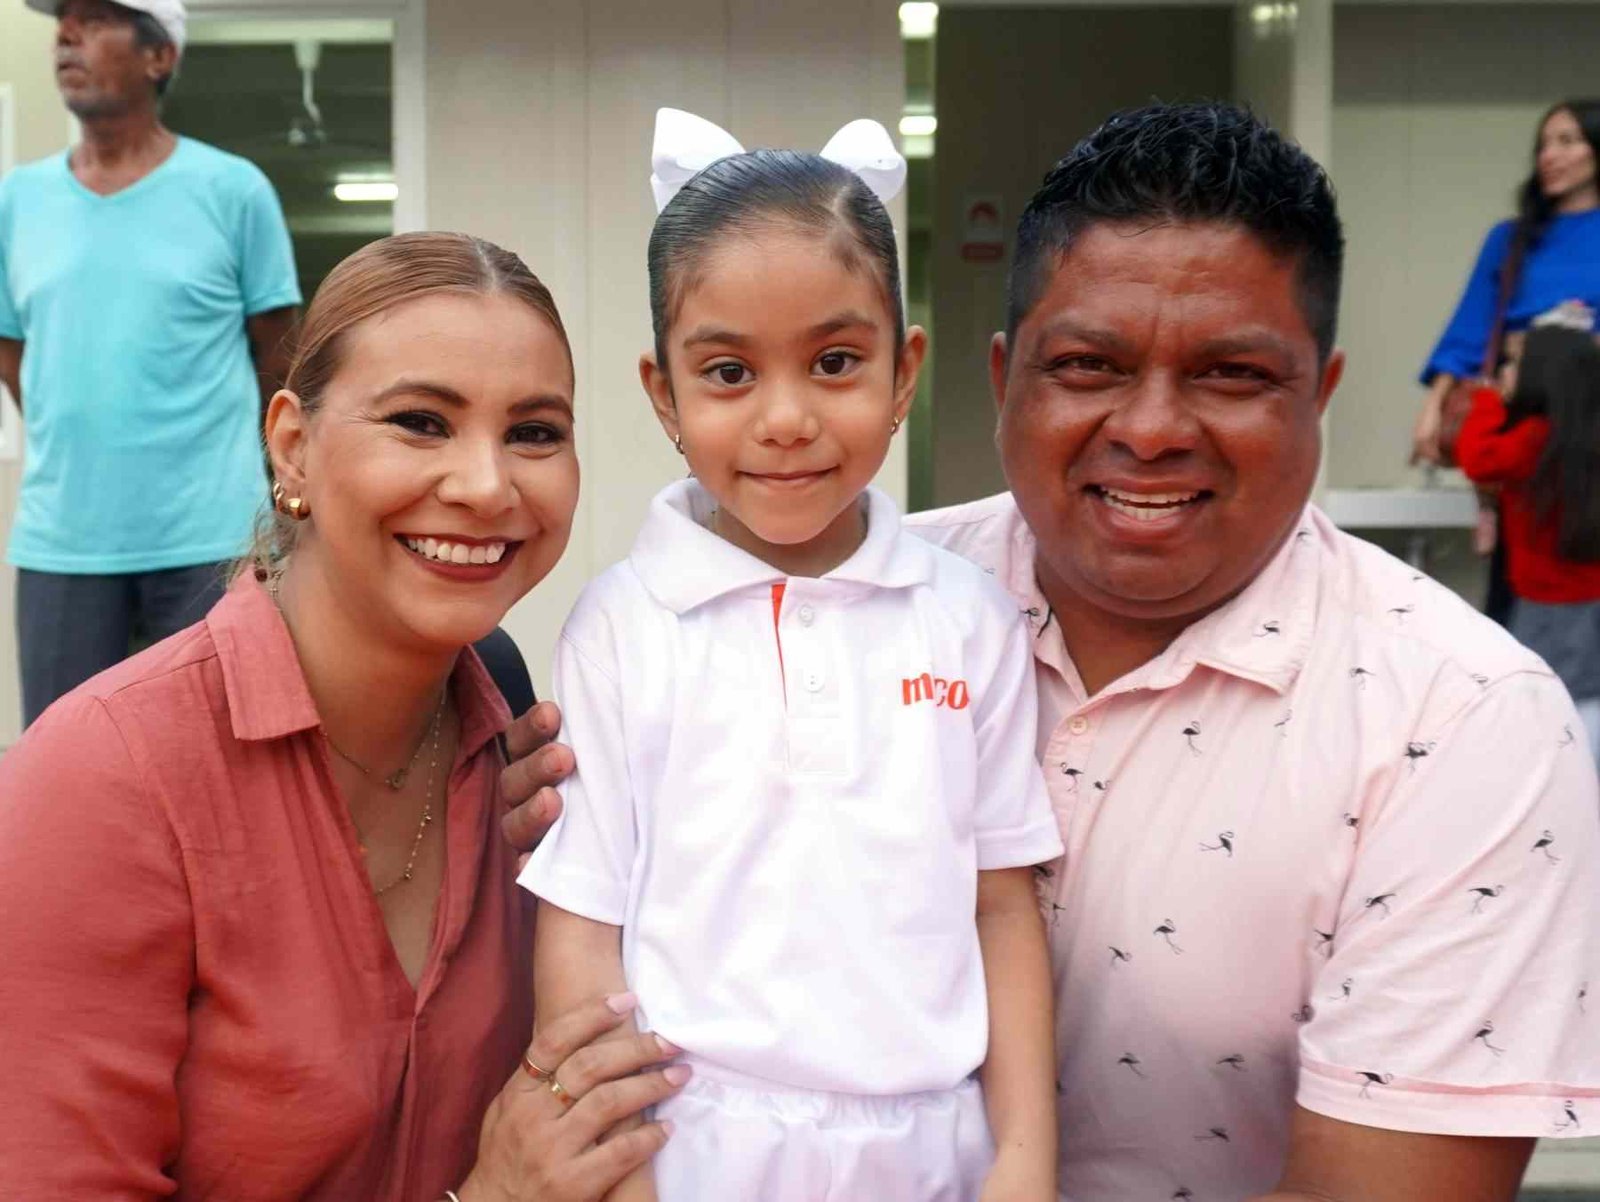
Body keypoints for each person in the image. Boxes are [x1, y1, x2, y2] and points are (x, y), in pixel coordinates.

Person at [501, 103, 1600, 1201]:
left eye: (1231, 373)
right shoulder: (836, 587)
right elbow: (595, 911)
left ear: (1321, 390)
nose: (1152, 429)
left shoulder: (1461, 722)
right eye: (1086, 364)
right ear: (1003, 378)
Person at [0, 232, 686, 1202]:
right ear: (292, 446)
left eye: (534, 432)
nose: (486, 485)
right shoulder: (102, 779)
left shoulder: (521, 741)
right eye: (420, 422)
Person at [520, 110, 1063, 1202]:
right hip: (691, 1146)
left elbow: (1000, 906)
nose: (785, 417)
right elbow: (582, 928)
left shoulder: (970, 618)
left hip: (935, 1152)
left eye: (834, 362)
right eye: (728, 371)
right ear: (664, 395)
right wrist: (617, 1177)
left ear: (903, 373)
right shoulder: (622, 626)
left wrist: (1024, 1157)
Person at [0, 0, 302, 726]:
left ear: (159, 55)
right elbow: (11, 347)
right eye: (63, 22)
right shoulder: (17, 200)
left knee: (219, 755)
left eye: (94, 20)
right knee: (64, 761)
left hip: (214, 540)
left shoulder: (234, 191)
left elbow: (282, 355)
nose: (67, 35)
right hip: (64, 543)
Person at [1411, 99, 1600, 622]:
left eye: (1567, 141)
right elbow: (1472, 325)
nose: (1549, 156)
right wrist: (1433, 409)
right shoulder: (1511, 238)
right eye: (1544, 144)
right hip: (1527, 411)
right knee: (1520, 565)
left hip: (1592, 417)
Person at [1456, 318, 1600, 769]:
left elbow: (1477, 459)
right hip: (1588, 597)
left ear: (1542, 372)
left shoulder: (1534, 438)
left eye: (1514, 363)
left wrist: (1486, 402)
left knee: (1552, 703)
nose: (1505, 372)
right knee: (1587, 699)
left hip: (1545, 601)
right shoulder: (1584, 435)